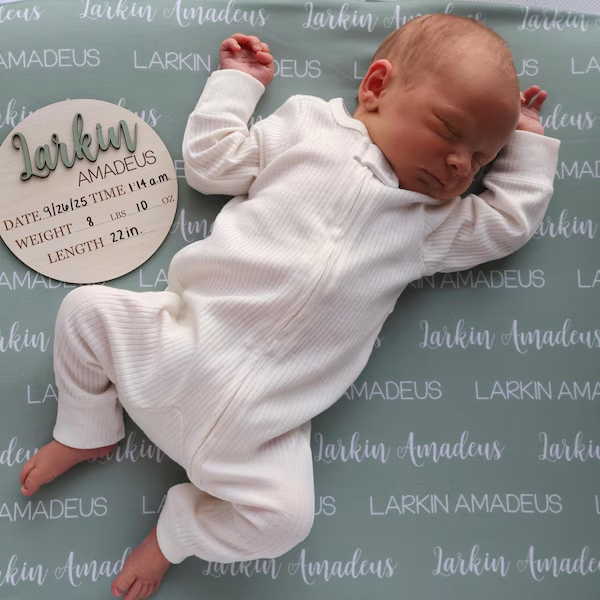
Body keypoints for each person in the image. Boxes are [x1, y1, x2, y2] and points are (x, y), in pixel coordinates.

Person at [18, 14, 560, 600]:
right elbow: (212, 164)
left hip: (262, 425)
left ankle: (176, 533)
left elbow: (506, 225)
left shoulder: (431, 223)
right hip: (177, 347)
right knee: (85, 309)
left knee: (284, 524)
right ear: (376, 86)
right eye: (449, 131)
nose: (459, 165)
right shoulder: (308, 127)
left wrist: (526, 145)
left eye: (480, 160)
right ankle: (87, 428)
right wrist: (237, 84)